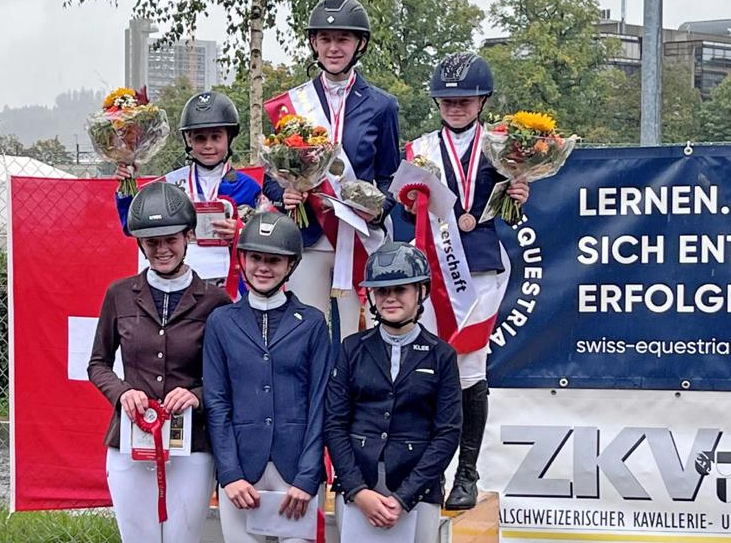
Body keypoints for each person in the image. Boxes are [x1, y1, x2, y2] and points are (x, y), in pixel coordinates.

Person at [402, 52, 529, 510]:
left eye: (465, 98)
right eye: (447, 98)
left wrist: (520, 191)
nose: (455, 106)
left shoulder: (503, 145)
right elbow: (404, 206)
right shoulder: (419, 149)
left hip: (478, 268)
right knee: (432, 370)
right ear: (437, 100)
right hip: (432, 271)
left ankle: (468, 473)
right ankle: (430, 471)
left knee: (471, 371)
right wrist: (408, 198)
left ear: (482, 101)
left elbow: (515, 206)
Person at [89, 181, 232, 542]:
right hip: (129, 440)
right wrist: (122, 393)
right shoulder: (119, 294)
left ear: (188, 237)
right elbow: (98, 363)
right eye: (152, 242)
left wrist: (196, 395)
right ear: (141, 244)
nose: (162, 249)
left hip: (193, 446)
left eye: (170, 239)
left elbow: (228, 376)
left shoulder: (215, 301)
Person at [263, 0, 400, 343]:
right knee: (303, 336)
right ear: (314, 43)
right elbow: (271, 176)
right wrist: (286, 195)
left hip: (358, 237)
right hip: (308, 236)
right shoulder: (291, 105)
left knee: (359, 338)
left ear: (360, 44)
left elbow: (390, 176)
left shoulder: (382, 105)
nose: (334, 47)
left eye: (343, 39)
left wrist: (378, 207)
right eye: (325, 39)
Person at [204, 211, 332, 542]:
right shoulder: (221, 321)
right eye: (256, 257)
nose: (263, 267)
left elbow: (321, 402)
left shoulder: (313, 322)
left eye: (274, 260)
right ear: (242, 260)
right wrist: (229, 473)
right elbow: (217, 402)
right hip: (242, 471)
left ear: (290, 265)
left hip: (296, 472)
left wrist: (308, 475)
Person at [324, 242, 461, 541]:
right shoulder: (351, 348)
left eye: (400, 289)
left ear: (420, 292)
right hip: (358, 484)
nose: (390, 298)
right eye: (382, 291)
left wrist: (404, 497)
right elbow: (334, 423)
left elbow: (448, 432)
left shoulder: (442, 355)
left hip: (417, 487)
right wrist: (358, 490)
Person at [116, 90, 262, 284]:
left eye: (216, 137)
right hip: (180, 281)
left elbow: (263, 238)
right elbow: (131, 226)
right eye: (200, 138)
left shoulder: (248, 187)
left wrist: (240, 231)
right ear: (189, 141)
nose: (208, 145)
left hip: (232, 285)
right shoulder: (169, 184)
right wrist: (126, 187)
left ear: (229, 137)